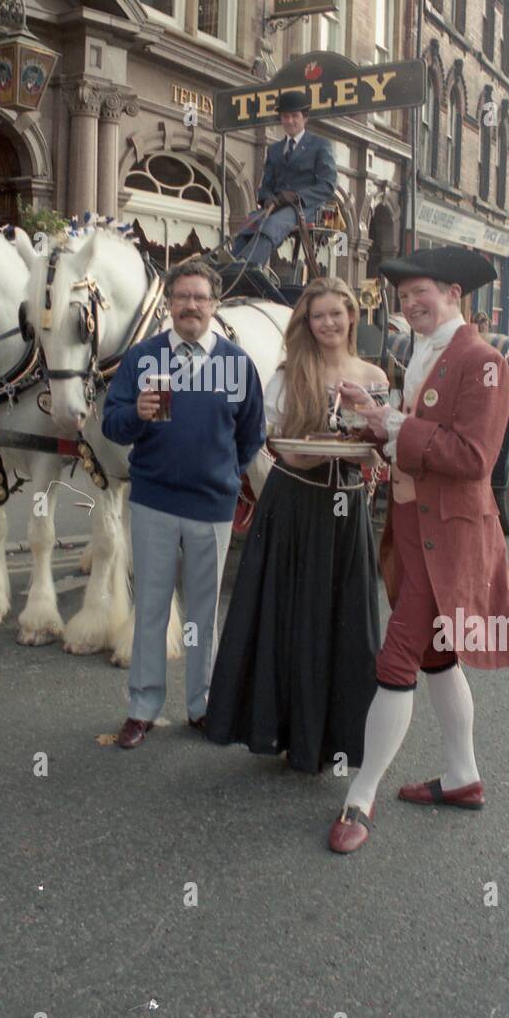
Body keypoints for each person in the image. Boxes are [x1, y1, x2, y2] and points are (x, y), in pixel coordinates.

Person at [327, 247, 509, 854]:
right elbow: (418, 436)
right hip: (413, 530)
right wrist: (376, 419)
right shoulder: (421, 353)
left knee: (396, 660)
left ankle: (360, 797)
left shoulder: (483, 363)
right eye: (402, 298)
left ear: (454, 292)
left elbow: (474, 457)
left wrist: (393, 426)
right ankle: (463, 776)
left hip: (447, 538)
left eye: (420, 292)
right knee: (436, 659)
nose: (410, 304)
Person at [205, 278, 387, 773]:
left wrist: (366, 417)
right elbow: (278, 445)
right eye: (318, 316)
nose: (328, 323)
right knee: (291, 620)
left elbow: (381, 447)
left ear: (352, 316)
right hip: (294, 503)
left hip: (346, 512)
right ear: (306, 323)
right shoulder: (289, 373)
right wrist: (313, 447)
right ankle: (284, 733)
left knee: (343, 624)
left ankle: (338, 741)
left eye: (336, 314)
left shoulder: (372, 375)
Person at [102, 259, 266, 749]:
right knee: (151, 607)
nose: (191, 305)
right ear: (169, 303)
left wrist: (219, 474)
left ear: (215, 305)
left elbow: (251, 434)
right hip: (153, 501)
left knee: (201, 616)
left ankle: (202, 705)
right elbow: (112, 424)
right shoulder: (143, 358)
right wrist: (137, 413)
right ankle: (142, 707)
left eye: (200, 297)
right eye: (182, 297)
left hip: (211, 506)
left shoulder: (236, 363)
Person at [231, 91, 336, 266]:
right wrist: (267, 198)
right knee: (250, 223)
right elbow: (265, 186)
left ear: (305, 117)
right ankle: (231, 264)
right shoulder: (274, 150)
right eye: (285, 116)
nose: (289, 121)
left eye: (294, 116)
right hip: (278, 206)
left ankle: (248, 266)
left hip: (306, 208)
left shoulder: (320, 145)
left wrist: (296, 196)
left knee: (272, 224)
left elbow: (328, 185)